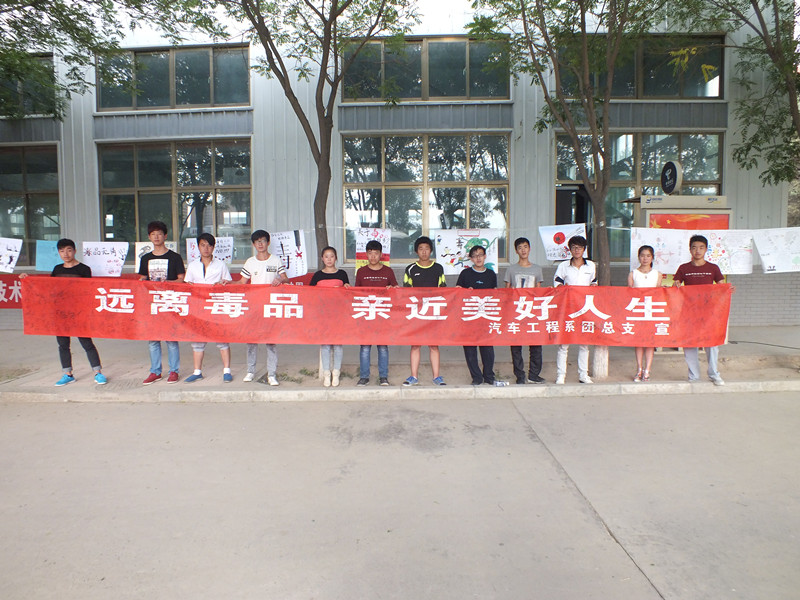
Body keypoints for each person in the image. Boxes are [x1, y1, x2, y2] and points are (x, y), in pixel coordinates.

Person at [20, 239, 107, 386]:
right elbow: (49, 287)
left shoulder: (84, 269)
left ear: (74, 251)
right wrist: (28, 279)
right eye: (62, 251)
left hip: (79, 312)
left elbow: (88, 291)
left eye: (68, 250)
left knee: (87, 343)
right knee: (63, 344)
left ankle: (98, 372)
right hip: (61, 313)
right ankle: (68, 374)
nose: (65, 254)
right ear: (58, 253)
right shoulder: (57, 269)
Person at [233, 229, 289, 385]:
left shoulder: (276, 260)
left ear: (268, 242)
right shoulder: (250, 262)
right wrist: (227, 282)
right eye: (257, 241)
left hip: (270, 306)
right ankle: (250, 371)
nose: (260, 244)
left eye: (263, 240)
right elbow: (242, 282)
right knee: (251, 340)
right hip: (255, 306)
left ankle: (271, 374)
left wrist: (280, 280)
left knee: (271, 341)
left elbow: (286, 279)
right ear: (253, 244)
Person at [673, 234, 726, 386]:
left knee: (712, 344)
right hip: (688, 312)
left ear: (706, 249)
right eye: (694, 248)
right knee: (690, 344)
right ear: (690, 249)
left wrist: (728, 290)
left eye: (701, 248)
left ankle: (714, 374)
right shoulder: (683, 268)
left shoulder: (713, 268)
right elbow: (676, 285)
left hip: (709, 313)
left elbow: (721, 286)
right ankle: (694, 376)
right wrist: (676, 285)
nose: (698, 251)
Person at [138, 220, 185, 385]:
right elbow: (142, 279)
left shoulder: (175, 257)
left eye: (159, 234)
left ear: (165, 236)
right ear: (149, 237)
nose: (156, 237)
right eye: (153, 234)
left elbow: (181, 279)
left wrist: (168, 284)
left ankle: (174, 371)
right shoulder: (145, 258)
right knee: (153, 339)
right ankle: (155, 371)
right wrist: (142, 283)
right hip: (152, 303)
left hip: (170, 302)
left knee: (171, 338)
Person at [183, 233, 233, 383]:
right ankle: (197, 371)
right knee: (197, 340)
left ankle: (227, 371)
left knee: (222, 339)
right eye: (203, 245)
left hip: (216, 306)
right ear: (198, 247)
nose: (206, 248)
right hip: (198, 308)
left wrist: (222, 284)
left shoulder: (221, 265)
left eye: (209, 245)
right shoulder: (192, 266)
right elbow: (187, 285)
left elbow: (228, 283)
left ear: (213, 247)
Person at [456, 245, 508, 387]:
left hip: (486, 317)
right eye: (475, 256)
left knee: (488, 348)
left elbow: (494, 293)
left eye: (480, 255)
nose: (478, 258)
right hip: (469, 317)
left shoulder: (490, 274)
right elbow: (457, 292)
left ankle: (489, 376)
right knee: (470, 349)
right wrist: (466, 291)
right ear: (471, 258)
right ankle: (476, 377)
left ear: (485, 256)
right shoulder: (465, 274)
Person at [402, 236, 447, 387]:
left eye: (427, 248)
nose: (424, 251)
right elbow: (406, 292)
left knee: (434, 345)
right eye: (421, 249)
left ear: (431, 251)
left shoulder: (438, 268)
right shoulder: (410, 269)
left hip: (433, 312)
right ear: (416, 251)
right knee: (415, 345)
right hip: (416, 312)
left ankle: (437, 377)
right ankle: (413, 376)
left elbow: (443, 290)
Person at [553, 235, 597, 385]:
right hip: (568, 307)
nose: (577, 250)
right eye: (574, 247)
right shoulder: (563, 266)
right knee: (564, 343)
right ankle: (561, 375)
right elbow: (557, 283)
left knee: (584, 343)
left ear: (584, 249)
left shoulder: (591, 266)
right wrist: (565, 289)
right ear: (570, 250)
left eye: (580, 247)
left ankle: (583, 375)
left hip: (585, 308)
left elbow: (594, 283)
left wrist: (593, 288)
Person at [355, 240, 397, 386]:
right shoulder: (361, 272)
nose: (373, 256)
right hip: (366, 314)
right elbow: (356, 293)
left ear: (381, 255)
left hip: (382, 315)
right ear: (366, 255)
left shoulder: (388, 271)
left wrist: (393, 289)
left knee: (383, 347)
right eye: (370, 253)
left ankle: (383, 377)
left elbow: (396, 290)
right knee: (365, 347)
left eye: (376, 253)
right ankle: (364, 376)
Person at [504, 236, 546, 384]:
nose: (523, 250)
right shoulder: (511, 269)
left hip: (532, 311)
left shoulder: (537, 269)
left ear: (530, 249)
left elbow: (539, 291)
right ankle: (520, 375)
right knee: (516, 345)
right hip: (516, 311)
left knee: (536, 344)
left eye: (525, 247)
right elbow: (507, 291)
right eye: (520, 247)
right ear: (516, 251)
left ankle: (534, 374)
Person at [310, 246, 349, 387]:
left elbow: (348, 292)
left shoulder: (342, 274)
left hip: (338, 315)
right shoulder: (317, 276)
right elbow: (309, 294)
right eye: (326, 256)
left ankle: (336, 372)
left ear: (336, 258)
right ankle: (327, 373)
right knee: (325, 344)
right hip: (323, 315)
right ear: (322, 259)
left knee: (338, 344)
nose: (329, 259)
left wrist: (347, 288)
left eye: (331, 256)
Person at [628, 244, 663, 382]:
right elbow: (629, 293)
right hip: (637, 311)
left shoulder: (657, 274)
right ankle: (639, 369)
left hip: (651, 311)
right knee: (638, 342)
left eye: (648, 256)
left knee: (650, 342)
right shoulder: (633, 274)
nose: (645, 258)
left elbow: (658, 293)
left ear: (652, 257)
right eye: (642, 255)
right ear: (638, 257)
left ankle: (647, 370)